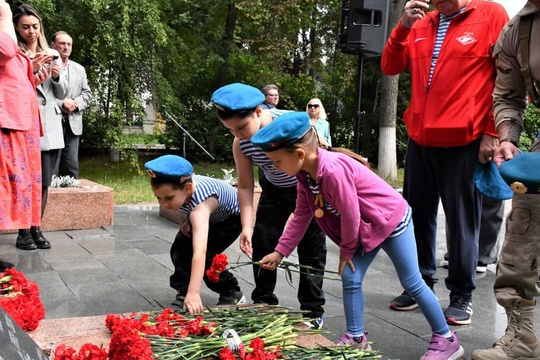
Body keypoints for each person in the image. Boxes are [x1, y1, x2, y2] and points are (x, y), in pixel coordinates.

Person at [255, 111, 463, 359]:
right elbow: (301, 215)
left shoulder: (331, 170)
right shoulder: (304, 176)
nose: (275, 167)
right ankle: (356, 337)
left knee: (412, 282)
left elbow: (351, 214)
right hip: (366, 227)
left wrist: (346, 252)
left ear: (299, 154)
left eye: (277, 161)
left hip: (391, 221)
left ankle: (446, 339)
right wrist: (280, 252)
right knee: (351, 277)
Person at [381, 0, 508, 325]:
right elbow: (390, 66)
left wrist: (492, 131)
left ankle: (462, 295)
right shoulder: (422, 22)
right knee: (416, 217)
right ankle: (418, 284)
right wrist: (403, 27)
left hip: (464, 139)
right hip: (421, 137)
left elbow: (505, 77)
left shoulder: (490, 14)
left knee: (463, 221)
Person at [211, 83, 327, 329]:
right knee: (263, 243)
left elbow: (319, 159)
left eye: (241, 127)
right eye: (231, 130)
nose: (239, 134)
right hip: (273, 190)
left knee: (311, 248)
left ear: (259, 111)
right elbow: (244, 185)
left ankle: (312, 311)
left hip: (305, 186)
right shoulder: (241, 143)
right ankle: (264, 303)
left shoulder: (290, 125)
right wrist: (246, 226)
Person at [472, 1, 540, 358]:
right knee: (521, 236)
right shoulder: (517, 30)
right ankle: (522, 339)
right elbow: (508, 95)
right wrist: (508, 138)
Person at [144, 155, 247, 314]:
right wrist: (187, 219)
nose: (163, 204)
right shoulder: (183, 187)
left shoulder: (200, 206)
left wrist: (195, 292)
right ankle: (183, 292)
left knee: (207, 259)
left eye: (169, 198)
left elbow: (200, 251)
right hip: (209, 214)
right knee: (180, 247)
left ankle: (231, 291)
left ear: (188, 188)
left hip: (231, 219)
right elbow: (187, 204)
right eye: (158, 198)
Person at [13, 3, 69, 251]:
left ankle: (37, 227)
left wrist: (56, 75)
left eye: (35, 26)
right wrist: (31, 67)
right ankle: (23, 230)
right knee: (25, 179)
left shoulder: (52, 52)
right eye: (25, 27)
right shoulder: (12, 54)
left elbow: (62, 92)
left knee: (44, 180)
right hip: (23, 123)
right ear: (16, 27)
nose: (31, 31)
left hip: (49, 126)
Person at [0, 0, 46, 266]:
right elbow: (5, 52)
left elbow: (21, 83)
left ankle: (30, 228)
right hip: (9, 122)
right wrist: (5, 13)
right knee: (7, 183)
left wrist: (38, 73)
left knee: (22, 183)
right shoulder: (7, 43)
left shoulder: (16, 50)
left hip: (23, 123)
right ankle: (24, 232)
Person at [51, 31, 92, 179]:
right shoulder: (45, 66)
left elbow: (87, 94)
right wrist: (62, 103)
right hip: (51, 123)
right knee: (51, 168)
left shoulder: (79, 69)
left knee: (71, 168)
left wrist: (75, 104)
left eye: (69, 44)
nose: (66, 47)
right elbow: (39, 95)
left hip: (73, 123)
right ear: (53, 45)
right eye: (62, 44)